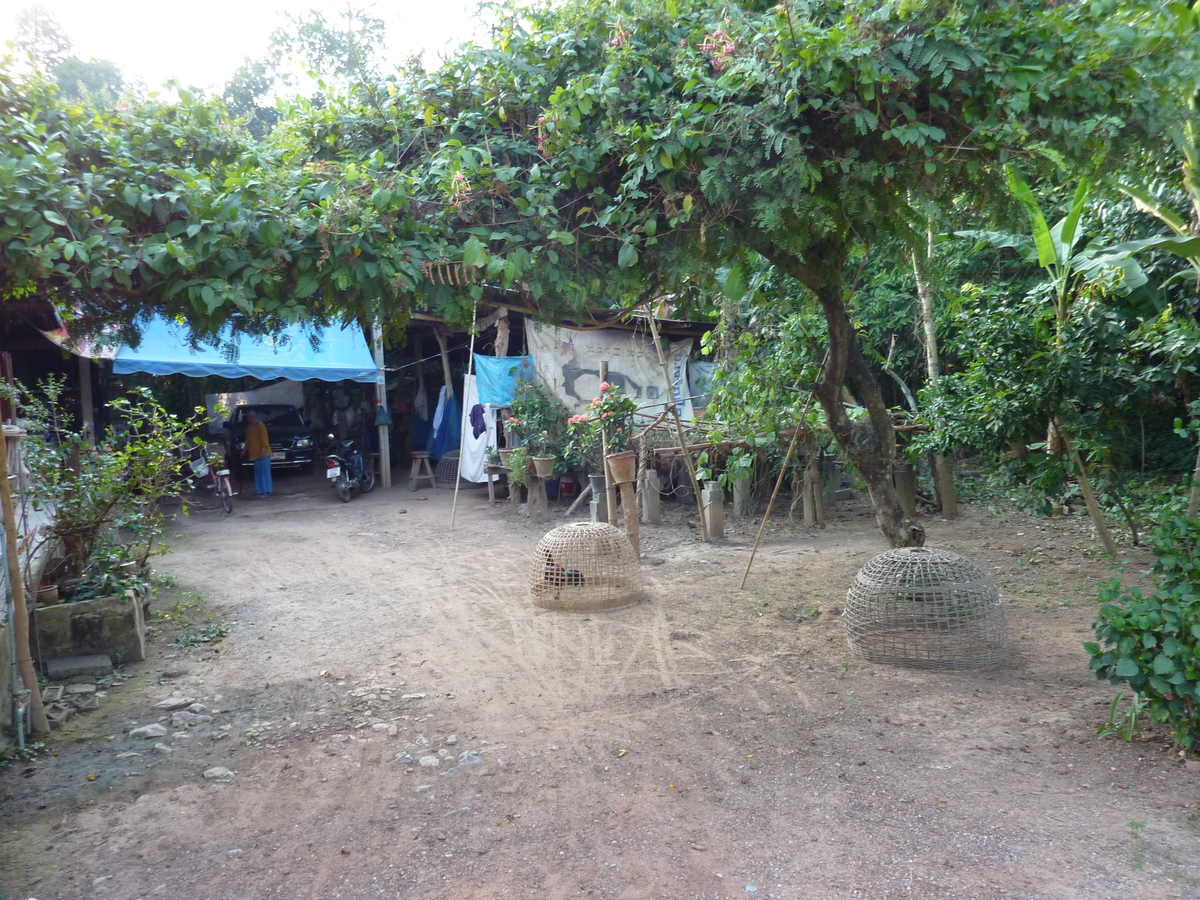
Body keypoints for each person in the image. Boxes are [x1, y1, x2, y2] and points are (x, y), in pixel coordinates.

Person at [243, 409, 273, 498]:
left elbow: (264, 439)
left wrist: (263, 449)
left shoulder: (260, 425)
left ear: (255, 417)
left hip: (263, 453)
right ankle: (260, 491)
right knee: (258, 473)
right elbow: (248, 440)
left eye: (252, 417)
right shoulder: (249, 427)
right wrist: (244, 450)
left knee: (265, 472)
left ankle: (267, 491)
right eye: (249, 417)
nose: (251, 419)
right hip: (255, 453)